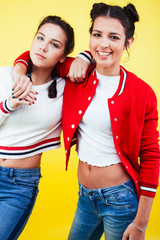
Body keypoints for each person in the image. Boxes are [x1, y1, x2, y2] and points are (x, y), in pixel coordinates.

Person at [12, 3, 160, 240]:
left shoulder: (142, 93)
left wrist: (141, 223)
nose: (103, 44)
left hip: (120, 200)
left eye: (114, 37)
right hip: (85, 198)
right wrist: (19, 71)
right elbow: (36, 55)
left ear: (128, 42)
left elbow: (151, 155)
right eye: (97, 34)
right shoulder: (76, 73)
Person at [0, 15, 90, 240]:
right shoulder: (5, 75)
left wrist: (84, 57)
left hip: (19, 185)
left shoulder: (65, 89)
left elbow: (99, 66)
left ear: (62, 57)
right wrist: (10, 104)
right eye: (40, 38)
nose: (43, 46)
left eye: (54, 44)